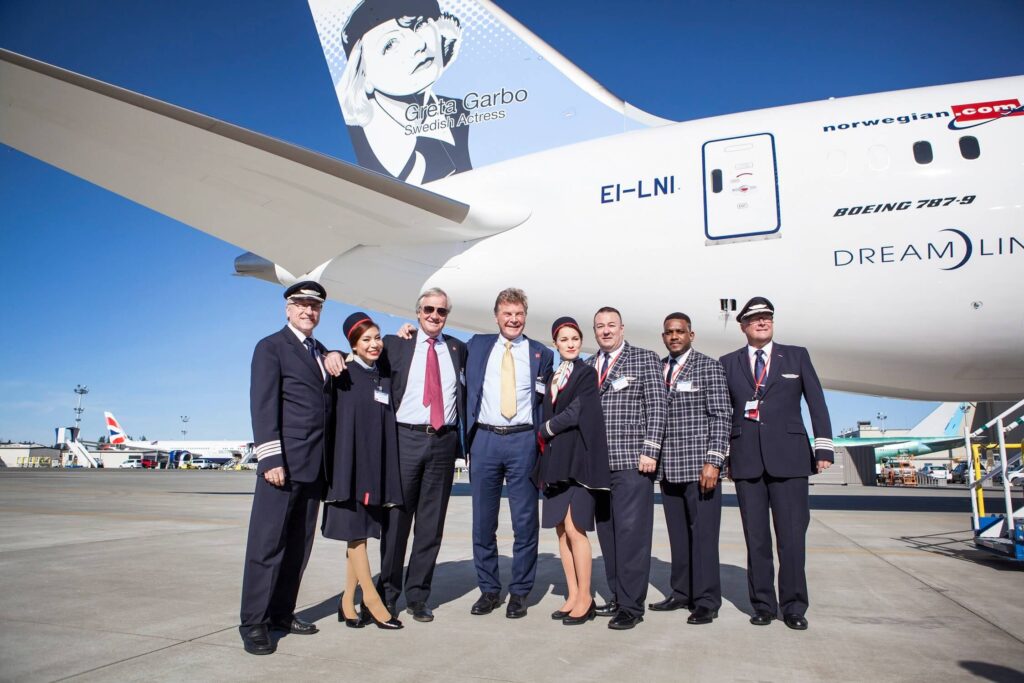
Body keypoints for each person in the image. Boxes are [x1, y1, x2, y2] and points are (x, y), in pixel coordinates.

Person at [719, 297, 834, 631]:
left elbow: (816, 401)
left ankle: (794, 606)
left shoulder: (796, 356)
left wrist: (824, 448)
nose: (762, 322)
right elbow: (723, 412)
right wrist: (723, 456)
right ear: (743, 326)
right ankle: (763, 605)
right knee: (756, 539)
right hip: (746, 460)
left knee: (792, 537)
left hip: (790, 459)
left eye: (767, 317)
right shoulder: (728, 363)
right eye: (755, 318)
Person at [239, 281, 332, 655]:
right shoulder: (271, 347)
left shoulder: (321, 351)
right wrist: (270, 458)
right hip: (283, 466)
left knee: (297, 548)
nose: (309, 311)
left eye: (315, 306)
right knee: (266, 546)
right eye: (302, 304)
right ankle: (253, 622)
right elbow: (263, 405)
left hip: (314, 467)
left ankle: (281, 613)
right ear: (288, 308)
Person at [375, 288, 467, 623]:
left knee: (431, 525)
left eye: (441, 311)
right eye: (428, 309)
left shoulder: (458, 349)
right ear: (417, 312)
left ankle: (417, 597)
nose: (434, 315)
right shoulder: (395, 344)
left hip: (443, 441)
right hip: (405, 439)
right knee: (396, 523)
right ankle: (387, 595)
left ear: (447, 315)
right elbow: (362, 356)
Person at [465, 288, 553, 618]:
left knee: (525, 522)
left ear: (525, 316)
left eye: (518, 314)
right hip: (485, 440)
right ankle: (489, 589)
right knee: (483, 522)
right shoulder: (476, 345)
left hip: (523, 442)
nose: (513, 320)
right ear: (496, 316)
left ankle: (519, 591)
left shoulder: (541, 353)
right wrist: (408, 332)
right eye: (507, 314)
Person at [585, 307, 667, 630]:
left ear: (622, 328)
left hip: (633, 462)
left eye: (611, 325)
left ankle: (632, 607)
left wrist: (651, 449)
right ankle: (618, 596)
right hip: (597, 467)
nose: (605, 331)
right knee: (608, 535)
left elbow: (658, 406)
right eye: (600, 326)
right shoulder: (588, 365)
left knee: (632, 535)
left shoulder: (644, 359)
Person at [323, 312, 404, 630]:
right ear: (353, 345)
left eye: (377, 337)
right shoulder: (342, 374)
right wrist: (332, 354)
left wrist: (404, 333)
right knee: (355, 534)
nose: (374, 344)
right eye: (366, 339)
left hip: (374, 467)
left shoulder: (381, 376)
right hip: (349, 467)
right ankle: (371, 600)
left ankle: (346, 602)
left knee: (361, 535)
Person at [650, 312, 731, 625]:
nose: (674, 337)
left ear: (691, 335)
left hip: (700, 469)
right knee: (678, 536)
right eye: (669, 332)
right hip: (668, 469)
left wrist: (714, 460)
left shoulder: (709, 367)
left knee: (704, 537)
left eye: (680, 331)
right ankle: (681, 592)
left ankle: (707, 600)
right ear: (663, 337)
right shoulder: (658, 368)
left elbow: (721, 416)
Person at [338, 0, 471, 185]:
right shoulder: (352, 142)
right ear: (363, 76)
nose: (419, 44)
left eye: (419, 24)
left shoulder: (469, 113)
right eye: (390, 44)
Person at [537, 317, 611, 625]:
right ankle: (572, 594)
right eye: (564, 339)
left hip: (577, 461)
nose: (570, 344)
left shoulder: (585, 372)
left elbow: (578, 410)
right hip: (555, 462)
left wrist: (546, 428)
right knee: (560, 531)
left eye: (575, 339)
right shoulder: (553, 375)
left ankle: (586, 597)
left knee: (575, 528)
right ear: (555, 343)